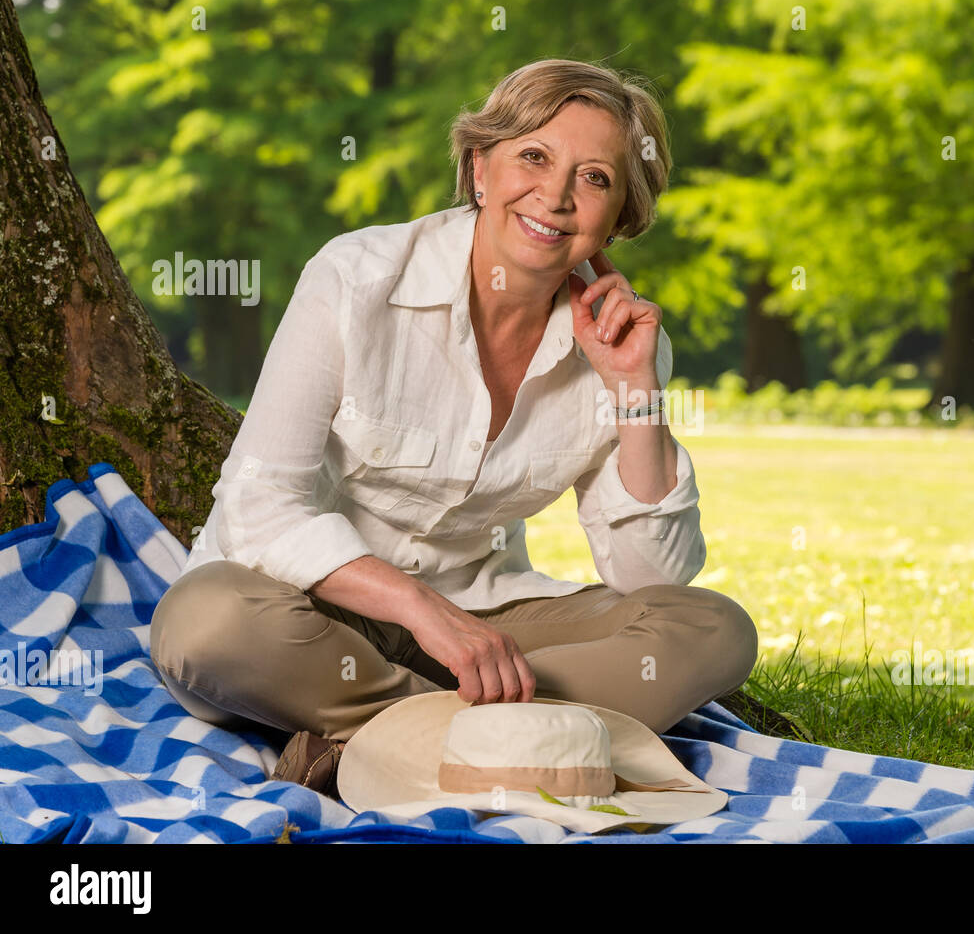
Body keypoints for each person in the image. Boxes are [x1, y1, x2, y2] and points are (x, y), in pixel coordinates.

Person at [149, 58, 759, 793]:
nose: (556, 196)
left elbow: (651, 577)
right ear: (479, 169)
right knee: (202, 622)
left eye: (594, 178)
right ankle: (485, 740)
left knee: (713, 629)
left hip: (485, 624)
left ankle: (372, 738)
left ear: (619, 214)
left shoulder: (624, 342)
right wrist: (424, 610)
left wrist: (633, 387)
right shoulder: (355, 278)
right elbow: (257, 503)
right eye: (533, 156)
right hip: (311, 616)